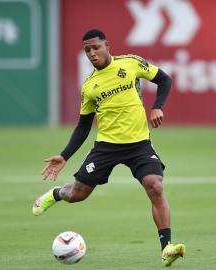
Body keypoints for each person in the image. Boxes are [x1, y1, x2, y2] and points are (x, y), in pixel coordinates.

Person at [32, 29, 185, 267]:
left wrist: (158, 106)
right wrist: (64, 156)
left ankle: (166, 248)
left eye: (95, 48)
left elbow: (164, 79)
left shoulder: (131, 63)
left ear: (107, 45)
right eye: (87, 51)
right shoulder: (89, 87)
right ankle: (55, 194)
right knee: (77, 195)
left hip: (139, 144)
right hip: (106, 147)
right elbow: (83, 127)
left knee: (155, 185)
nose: (92, 54)